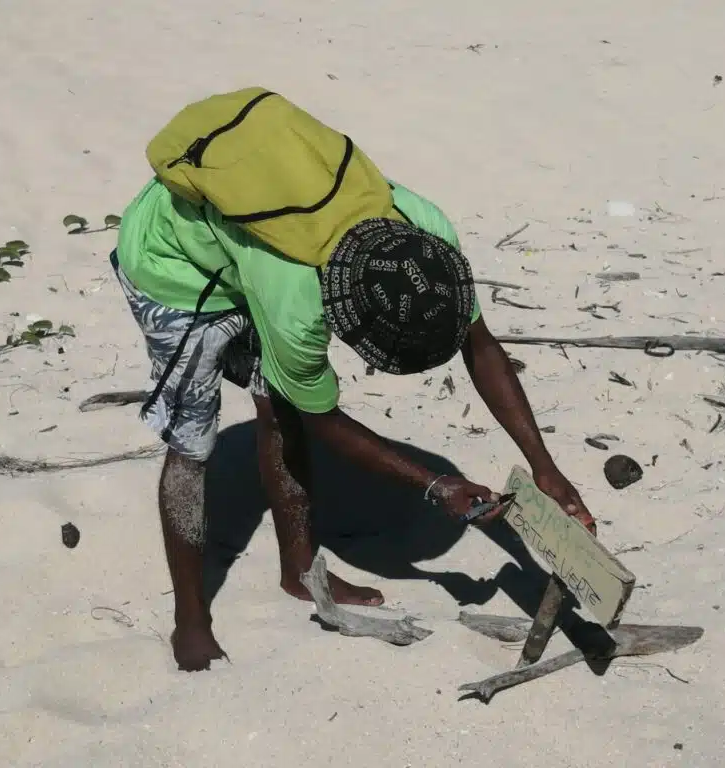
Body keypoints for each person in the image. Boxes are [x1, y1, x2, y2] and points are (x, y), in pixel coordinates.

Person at [111, 88, 596, 671]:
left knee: (278, 410)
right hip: (175, 268)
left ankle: (299, 570)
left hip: (253, 257)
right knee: (193, 444)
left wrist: (544, 465)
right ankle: (190, 618)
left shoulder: (423, 236)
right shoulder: (296, 305)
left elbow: (480, 343)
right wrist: (434, 484)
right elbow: (319, 416)